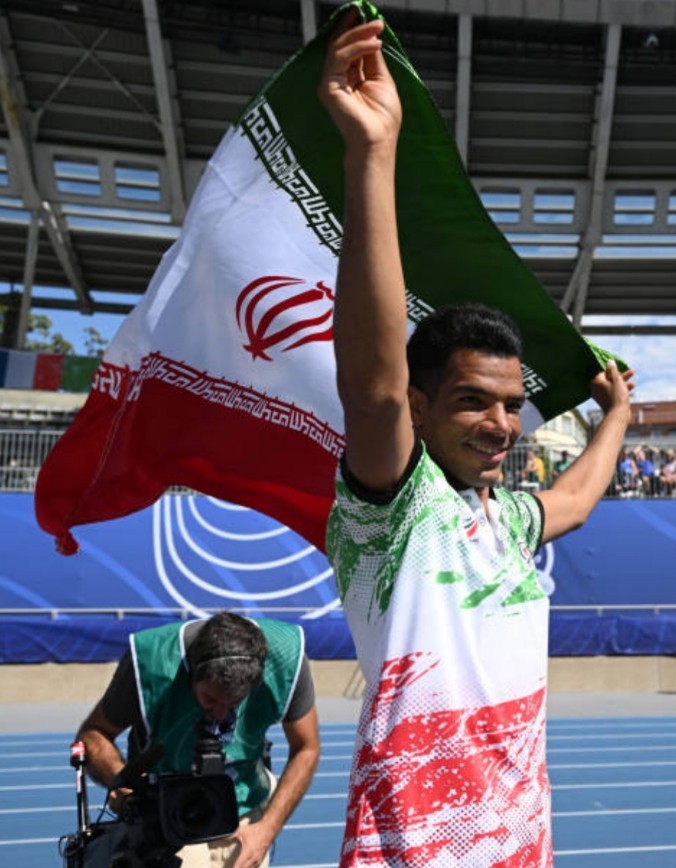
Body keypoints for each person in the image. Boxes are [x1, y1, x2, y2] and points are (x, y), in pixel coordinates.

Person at [319, 12, 634, 867]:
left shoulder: (503, 521)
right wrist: (371, 155)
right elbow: (374, 384)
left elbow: (569, 499)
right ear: (420, 409)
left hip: (520, 843)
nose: (499, 423)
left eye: (509, 404)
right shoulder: (395, 512)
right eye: (470, 402)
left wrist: (616, 419)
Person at [76, 612, 320, 868]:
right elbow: (94, 734)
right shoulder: (151, 663)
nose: (221, 714)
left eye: (234, 703)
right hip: (167, 816)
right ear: (192, 671)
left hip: (244, 811)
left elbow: (306, 747)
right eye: (211, 699)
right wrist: (122, 786)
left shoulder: (286, 659)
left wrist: (266, 830)